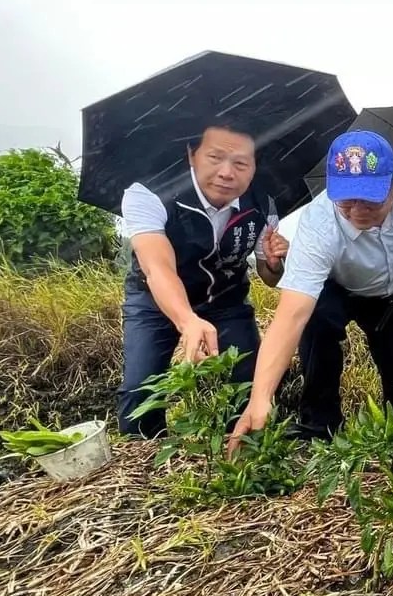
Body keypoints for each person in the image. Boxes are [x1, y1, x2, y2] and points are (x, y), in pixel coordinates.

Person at [228, 130, 393, 450]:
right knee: (316, 325)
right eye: (347, 198)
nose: (357, 209)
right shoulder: (319, 225)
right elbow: (290, 316)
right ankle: (320, 424)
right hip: (340, 286)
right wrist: (259, 400)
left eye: (370, 197)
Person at [119, 120, 289, 438]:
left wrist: (276, 263)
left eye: (241, 163)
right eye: (215, 158)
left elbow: (269, 277)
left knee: (249, 381)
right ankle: (143, 465)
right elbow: (157, 268)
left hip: (226, 299)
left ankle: (241, 455)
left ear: (254, 167)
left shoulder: (263, 204)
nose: (227, 173)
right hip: (155, 299)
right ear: (191, 155)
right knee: (140, 390)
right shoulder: (148, 192)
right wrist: (187, 320)